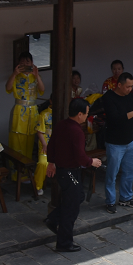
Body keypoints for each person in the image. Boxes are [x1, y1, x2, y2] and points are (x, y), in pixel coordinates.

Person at [45, 98, 102, 252]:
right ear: (79, 114)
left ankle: (53, 218)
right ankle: (64, 243)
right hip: (69, 170)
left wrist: (51, 162)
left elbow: (51, 146)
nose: (86, 117)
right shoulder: (76, 131)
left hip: (64, 170)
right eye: (86, 114)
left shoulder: (61, 125)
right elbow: (80, 157)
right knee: (71, 208)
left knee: (77, 197)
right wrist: (92, 162)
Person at [93, 72, 133, 213]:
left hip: (130, 140)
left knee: (130, 171)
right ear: (119, 85)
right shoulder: (109, 97)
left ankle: (125, 198)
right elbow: (114, 118)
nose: (129, 89)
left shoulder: (130, 97)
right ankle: (110, 201)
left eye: (131, 87)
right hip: (114, 142)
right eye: (127, 87)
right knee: (112, 173)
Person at [5, 52, 44, 160]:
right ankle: (16, 174)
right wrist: (14, 74)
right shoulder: (16, 77)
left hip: (32, 111)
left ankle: (27, 169)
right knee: (17, 139)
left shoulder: (35, 76)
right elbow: (8, 88)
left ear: (32, 63)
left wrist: (36, 75)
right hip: (19, 110)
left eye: (28, 62)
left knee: (30, 139)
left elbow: (42, 90)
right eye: (22, 62)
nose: (25, 64)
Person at [33, 99, 53, 196]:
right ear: (51, 101)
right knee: (42, 163)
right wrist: (45, 145)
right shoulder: (43, 115)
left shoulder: (63, 113)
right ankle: (38, 186)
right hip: (45, 145)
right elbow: (39, 132)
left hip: (58, 147)